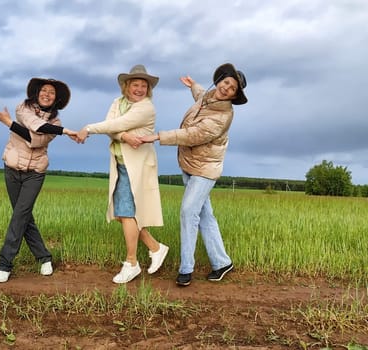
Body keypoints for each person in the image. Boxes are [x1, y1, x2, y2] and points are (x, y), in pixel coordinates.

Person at [140, 63, 248, 287]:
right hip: (190, 165)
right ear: (219, 81)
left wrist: (159, 136)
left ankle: (186, 268)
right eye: (226, 82)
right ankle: (222, 263)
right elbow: (201, 96)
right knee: (206, 217)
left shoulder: (223, 116)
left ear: (235, 95)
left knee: (188, 213)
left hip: (204, 170)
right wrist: (193, 86)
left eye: (232, 88)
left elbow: (194, 134)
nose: (227, 88)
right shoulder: (209, 97)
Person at [76, 64, 168, 284]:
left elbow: (117, 124)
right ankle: (155, 248)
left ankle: (131, 263)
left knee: (126, 213)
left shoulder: (146, 108)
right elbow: (111, 128)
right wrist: (125, 137)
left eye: (143, 85)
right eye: (135, 84)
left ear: (148, 89)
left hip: (137, 166)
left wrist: (88, 128)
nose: (139, 89)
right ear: (126, 86)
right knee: (122, 213)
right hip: (120, 164)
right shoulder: (117, 103)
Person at [0, 77, 78, 283]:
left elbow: (35, 137)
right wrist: (65, 132)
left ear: (57, 99)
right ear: (37, 93)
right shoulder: (22, 108)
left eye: (52, 93)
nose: (47, 94)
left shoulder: (55, 123)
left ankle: (4, 263)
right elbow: (33, 124)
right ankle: (44, 257)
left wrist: (9, 123)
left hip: (35, 173)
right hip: (12, 168)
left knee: (20, 214)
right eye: (44, 90)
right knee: (24, 217)